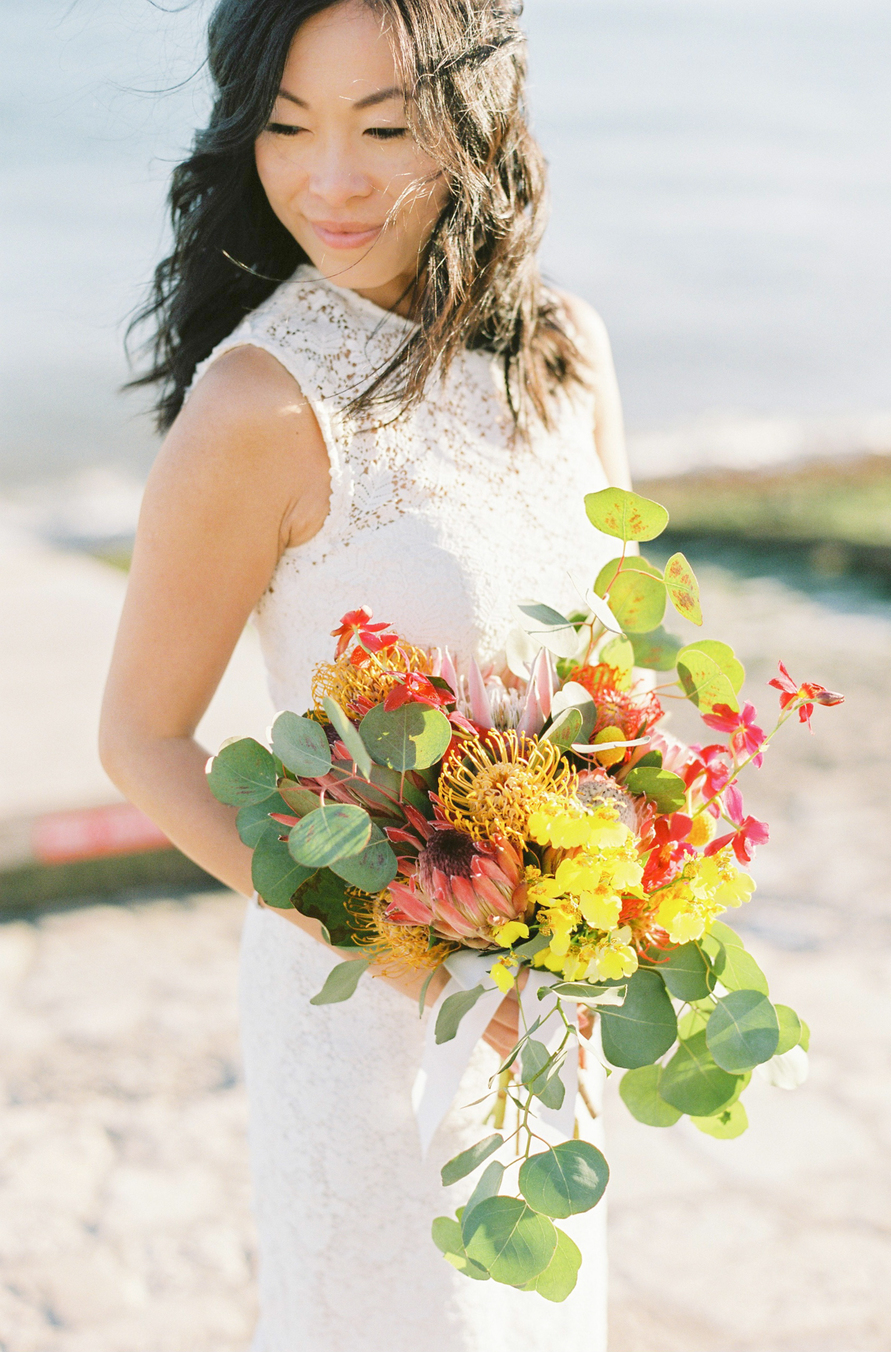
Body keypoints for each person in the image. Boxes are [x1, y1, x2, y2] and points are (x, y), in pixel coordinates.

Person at [100, 1, 629, 1347]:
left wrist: (614, 889)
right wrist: (414, 954)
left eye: (384, 128)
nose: (328, 180)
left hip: (542, 994)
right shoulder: (259, 409)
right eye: (287, 127)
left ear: (475, 121)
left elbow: (614, 679)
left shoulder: (565, 350)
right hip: (360, 1010)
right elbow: (143, 742)